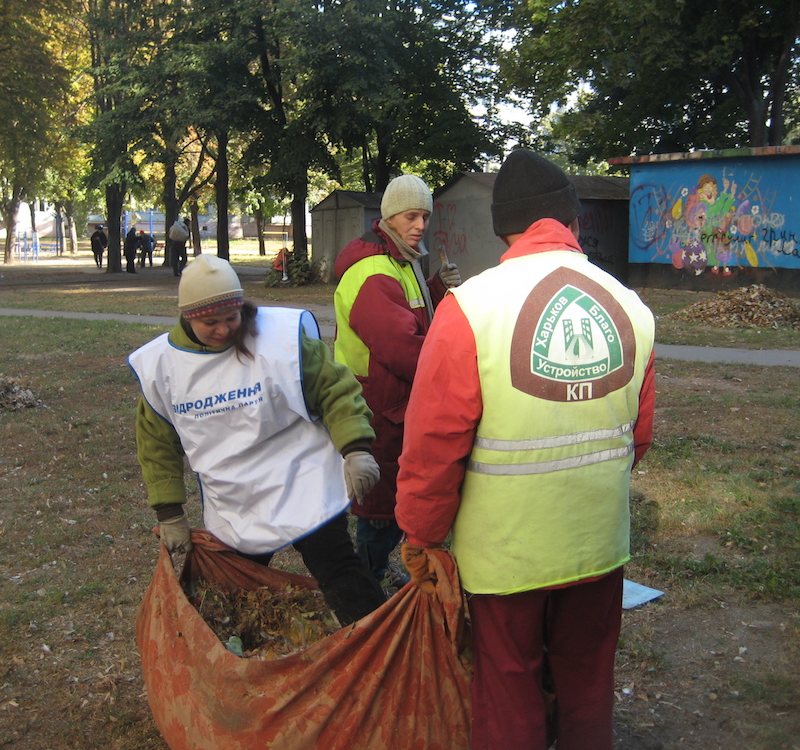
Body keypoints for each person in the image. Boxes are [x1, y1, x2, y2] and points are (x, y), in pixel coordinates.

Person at [395, 149, 657, 750]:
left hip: (503, 554)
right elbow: (636, 438)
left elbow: (434, 446)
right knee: (588, 682)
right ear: (571, 218)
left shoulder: (470, 309)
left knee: (509, 687)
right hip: (597, 543)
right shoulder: (631, 307)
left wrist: (421, 535)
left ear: (502, 225)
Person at [128, 255, 388, 626]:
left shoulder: (278, 340)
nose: (222, 330)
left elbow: (335, 390)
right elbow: (156, 443)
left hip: (300, 476)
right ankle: (239, 658)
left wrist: (356, 448)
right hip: (236, 495)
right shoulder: (163, 369)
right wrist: (169, 512)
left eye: (231, 318)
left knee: (338, 567)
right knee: (235, 589)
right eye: (209, 322)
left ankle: (377, 640)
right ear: (187, 316)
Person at [333, 174, 461, 589]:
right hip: (377, 409)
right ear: (389, 216)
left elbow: (412, 318)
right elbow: (403, 348)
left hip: (395, 407)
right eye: (411, 215)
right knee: (380, 509)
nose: (420, 224)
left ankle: (376, 571)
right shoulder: (373, 272)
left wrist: (437, 288)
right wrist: (457, 369)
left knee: (393, 500)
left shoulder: (400, 261)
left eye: (425, 215)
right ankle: (365, 585)